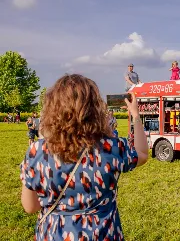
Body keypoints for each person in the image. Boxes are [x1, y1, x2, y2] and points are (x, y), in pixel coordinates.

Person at [19, 74, 148, 240]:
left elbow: (30, 207)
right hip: (103, 234)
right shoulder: (111, 148)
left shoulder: (37, 151)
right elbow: (142, 154)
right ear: (95, 109)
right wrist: (136, 115)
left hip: (54, 234)